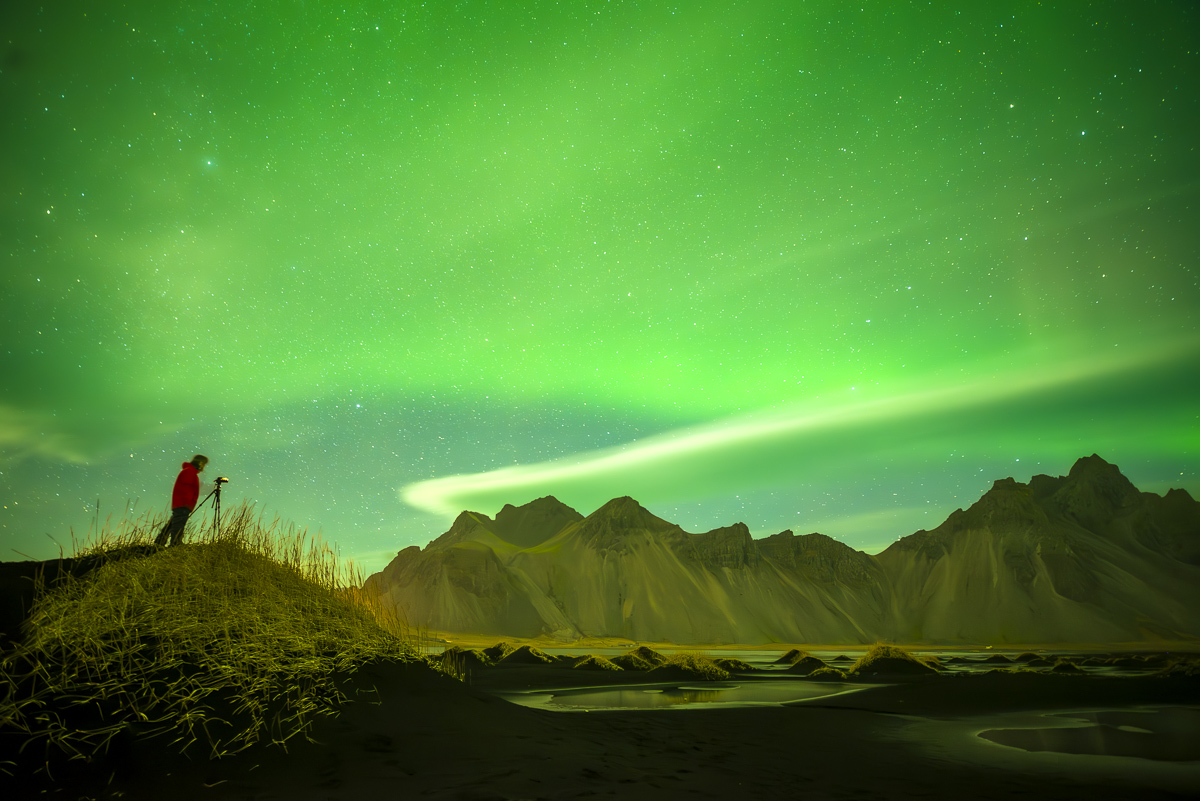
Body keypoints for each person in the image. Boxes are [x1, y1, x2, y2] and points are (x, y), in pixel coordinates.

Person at [154, 454, 209, 547]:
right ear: (199, 463)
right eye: (203, 464)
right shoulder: (189, 472)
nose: (203, 466)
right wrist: (188, 503)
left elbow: (191, 488)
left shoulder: (189, 472)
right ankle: (175, 543)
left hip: (182, 503)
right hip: (183, 504)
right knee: (178, 524)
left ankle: (159, 542)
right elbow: (187, 489)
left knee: (173, 523)